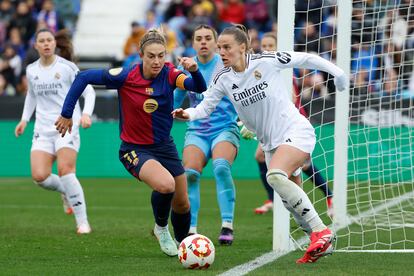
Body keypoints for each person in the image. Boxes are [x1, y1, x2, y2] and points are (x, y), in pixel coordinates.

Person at [172, 24, 348, 264]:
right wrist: (188, 114)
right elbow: (206, 106)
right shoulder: (222, 78)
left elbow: (306, 57)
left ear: (242, 47)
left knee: (274, 175)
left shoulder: (265, 60)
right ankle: (317, 241)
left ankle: (322, 232)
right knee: (290, 201)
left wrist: (336, 73)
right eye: (220, 47)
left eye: (226, 47)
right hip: (270, 143)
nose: (221, 52)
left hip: (295, 130)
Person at [55, 29, 207, 256]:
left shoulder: (170, 74)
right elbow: (83, 77)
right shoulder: (125, 76)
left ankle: (186, 245)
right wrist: (67, 113)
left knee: (183, 204)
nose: (157, 61)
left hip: (164, 146)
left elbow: (199, 87)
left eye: (161, 56)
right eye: (151, 56)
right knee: (166, 186)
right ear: (141, 55)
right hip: (134, 149)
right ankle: (161, 229)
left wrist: (195, 72)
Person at [14, 28, 96, 234]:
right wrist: (24, 120)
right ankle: (66, 191)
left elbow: (89, 90)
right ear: (36, 45)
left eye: (49, 40)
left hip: (67, 126)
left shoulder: (67, 67)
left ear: (54, 43)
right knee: (39, 176)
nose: (46, 44)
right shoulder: (31, 70)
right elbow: (31, 96)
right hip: (42, 129)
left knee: (66, 171)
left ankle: (82, 222)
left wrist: (86, 114)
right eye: (41, 41)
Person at [251, 32, 334, 217]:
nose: (266, 49)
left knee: (303, 166)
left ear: (278, 48)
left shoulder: (282, 70)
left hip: (291, 123)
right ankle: (273, 198)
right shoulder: (261, 71)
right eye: (263, 46)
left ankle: (328, 196)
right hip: (274, 125)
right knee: (260, 156)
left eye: (270, 46)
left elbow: (291, 100)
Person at [174, 25, 239, 245]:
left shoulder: (226, 65)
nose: (203, 42)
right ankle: (191, 229)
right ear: (192, 44)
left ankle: (227, 225)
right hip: (197, 130)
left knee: (221, 167)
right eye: (198, 38)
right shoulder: (185, 68)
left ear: (215, 42)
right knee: (190, 173)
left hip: (225, 128)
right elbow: (174, 99)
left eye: (208, 38)